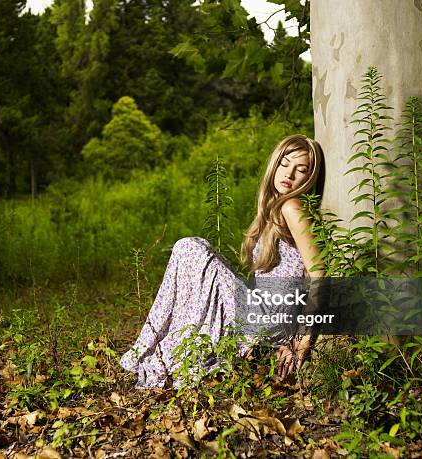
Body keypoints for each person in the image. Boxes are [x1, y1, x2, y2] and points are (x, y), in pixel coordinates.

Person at [120, 134, 326, 389]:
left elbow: (319, 274)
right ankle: (176, 352)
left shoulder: (292, 207)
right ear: (275, 164)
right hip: (266, 313)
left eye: (301, 169)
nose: (289, 174)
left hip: (273, 318)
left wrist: (301, 343)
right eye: (285, 163)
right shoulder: (273, 209)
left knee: (190, 248)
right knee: (197, 251)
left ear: (309, 178)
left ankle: (163, 352)